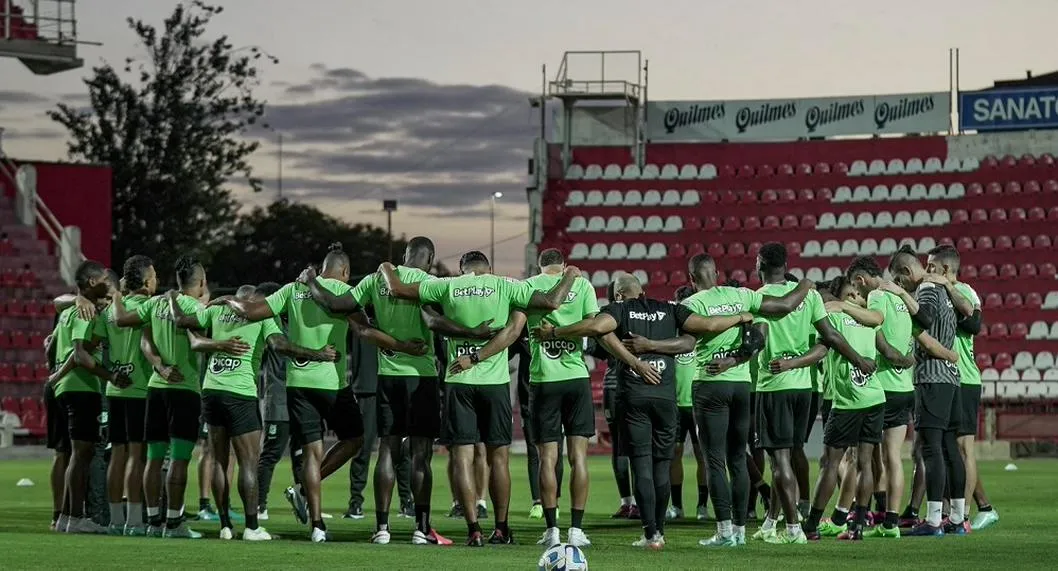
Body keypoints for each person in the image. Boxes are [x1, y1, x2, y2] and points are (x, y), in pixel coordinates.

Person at [538, 272, 750, 549]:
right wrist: (739, 317)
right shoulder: (670, 309)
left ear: (618, 295)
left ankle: (651, 535)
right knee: (662, 466)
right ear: (641, 291)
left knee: (642, 465)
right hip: (665, 397)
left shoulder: (619, 309)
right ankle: (661, 531)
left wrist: (554, 332)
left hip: (634, 397)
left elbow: (595, 327)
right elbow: (702, 329)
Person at [380, 251, 576, 546]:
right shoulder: (505, 285)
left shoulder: (447, 286)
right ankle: (501, 529)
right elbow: (552, 301)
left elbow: (398, 290)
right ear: (488, 268)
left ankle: (473, 530)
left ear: (463, 269)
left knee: (462, 458)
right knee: (499, 458)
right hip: (495, 382)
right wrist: (571, 274)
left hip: (458, 380)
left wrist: (386, 267)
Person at [302, 237, 487, 545]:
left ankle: (382, 528)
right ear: (429, 260)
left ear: (405, 256)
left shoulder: (376, 279)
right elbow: (443, 319)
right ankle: (421, 528)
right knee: (420, 456)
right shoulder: (430, 282)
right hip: (422, 375)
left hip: (387, 376)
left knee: (387, 450)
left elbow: (336, 305)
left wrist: (311, 280)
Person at [171, 282, 338, 541]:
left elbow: (181, 321)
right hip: (240, 392)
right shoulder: (262, 316)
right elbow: (279, 345)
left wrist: (173, 297)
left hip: (211, 390)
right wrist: (316, 354)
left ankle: (225, 525)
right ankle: (251, 527)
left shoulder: (215, 311)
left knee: (218, 460)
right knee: (248, 462)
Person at [680, 253, 825, 547]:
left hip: (710, 385)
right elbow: (783, 308)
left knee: (714, 460)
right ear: (717, 272)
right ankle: (741, 532)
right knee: (737, 458)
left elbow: (694, 335)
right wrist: (806, 284)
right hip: (743, 386)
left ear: (692, 279)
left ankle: (723, 533)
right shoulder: (742, 295)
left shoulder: (691, 304)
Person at [749, 244, 874, 544]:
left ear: (760, 264)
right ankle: (770, 523)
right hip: (805, 388)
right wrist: (859, 360)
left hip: (774, 385)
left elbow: (760, 339)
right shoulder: (809, 296)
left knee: (778, 462)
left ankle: (793, 529)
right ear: (786, 263)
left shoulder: (760, 298)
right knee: (790, 457)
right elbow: (828, 339)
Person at [108, 255, 218, 539]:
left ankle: (153, 522)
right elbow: (200, 340)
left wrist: (159, 365)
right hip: (184, 390)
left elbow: (135, 331)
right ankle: (174, 524)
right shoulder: (197, 308)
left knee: (154, 459)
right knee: (179, 460)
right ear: (202, 282)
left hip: (156, 389)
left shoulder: (154, 304)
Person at [521, 248, 599, 548]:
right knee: (578, 457)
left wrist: (550, 333)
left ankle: (552, 529)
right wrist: (565, 332)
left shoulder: (529, 286)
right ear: (563, 265)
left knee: (547, 459)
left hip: (543, 380)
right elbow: (593, 326)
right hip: (576, 377)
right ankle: (576, 530)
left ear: (540, 266)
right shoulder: (582, 285)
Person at [886, 246, 967, 537]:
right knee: (950, 450)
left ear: (906, 273)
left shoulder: (927, 292)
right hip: (952, 381)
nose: (899, 285)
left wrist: (900, 296)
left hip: (932, 378)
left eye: (899, 279)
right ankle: (957, 519)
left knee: (931, 449)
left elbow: (926, 320)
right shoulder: (947, 292)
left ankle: (933, 521)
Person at [49, 260, 130, 534]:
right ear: (93, 282)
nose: (109, 283)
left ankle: (65, 518)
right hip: (82, 389)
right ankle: (74, 518)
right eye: (105, 279)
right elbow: (82, 354)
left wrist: (57, 375)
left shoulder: (71, 311)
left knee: (76, 454)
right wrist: (111, 376)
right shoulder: (86, 313)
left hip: (68, 387)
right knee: (81, 454)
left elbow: (68, 350)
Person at [801, 278, 882, 541]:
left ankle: (811, 525)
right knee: (864, 463)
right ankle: (856, 526)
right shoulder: (868, 320)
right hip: (875, 396)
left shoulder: (831, 320)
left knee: (830, 463)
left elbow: (821, 349)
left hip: (847, 400)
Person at [924, 246, 997, 531]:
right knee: (946, 448)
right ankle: (968, 509)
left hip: (964, 377)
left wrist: (947, 286)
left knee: (963, 448)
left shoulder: (964, 291)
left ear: (945, 269)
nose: (927, 270)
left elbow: (975, 324)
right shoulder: (933, 291)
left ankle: (962, 516)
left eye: (931, 266)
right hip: (946, 376)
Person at [844, 256, 915, 538]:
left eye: (855, 289)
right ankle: (891, 523)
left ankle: (857, 518)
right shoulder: (903, 298)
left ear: (860, 280)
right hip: (905, 387)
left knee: (866, 457)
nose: (857, 295)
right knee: (893, 457)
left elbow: (875, 329)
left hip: (881, 387)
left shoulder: (875, 295)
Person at [95, 256, 156, 535]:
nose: (156, 280)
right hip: (139, 389)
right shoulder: (149, 307)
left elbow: (92, 345)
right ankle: (134, 521)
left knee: (117, 455)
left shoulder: (108, 311)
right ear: (145, 282)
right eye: (154, 276)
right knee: (136, 456)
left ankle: (115, 520)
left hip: (114, 388)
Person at [252, 282, 304, 522]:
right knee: (271, 454)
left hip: (299, 399)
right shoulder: (268, 325)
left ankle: (305, 501)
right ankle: (259, 505)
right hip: (278, 399)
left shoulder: (292, 324)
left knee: (301, 454)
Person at [511, 326, 565, 520]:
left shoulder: (560, 329)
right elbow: (505, 350)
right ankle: (537, 502)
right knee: (534, 452)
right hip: (529, 402)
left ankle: (554, 501)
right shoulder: (525, 331)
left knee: (556, 451)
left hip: (556, 399)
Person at [669, 285, 708, 522]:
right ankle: (677, 506)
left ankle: (703, 506)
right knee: (674, 455)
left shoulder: (703, 331)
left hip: (697, 404)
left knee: (703, 456)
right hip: (674, 405)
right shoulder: (669, 333)